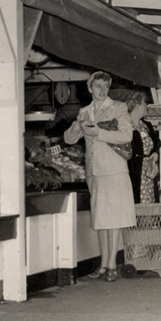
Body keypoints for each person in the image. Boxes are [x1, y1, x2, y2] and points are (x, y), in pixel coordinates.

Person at [64, 72, 135, 282]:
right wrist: (76, 126)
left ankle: (112, 264)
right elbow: (68, 140)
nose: (102, 90)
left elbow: (127, 135)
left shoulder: (119, 107)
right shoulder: (84, 111)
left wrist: (99, 134)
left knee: (113, 219)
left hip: (114, 170)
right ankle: (103, 265)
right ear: (90, 88)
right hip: (94, 171)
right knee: (101, 219)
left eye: (105, 86)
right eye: (98, 86)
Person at [124, 91, 160, 204]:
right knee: (136, 203)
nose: (146, 106)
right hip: (134, 171)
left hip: (148, 172)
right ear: (137, 105)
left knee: (150, 204)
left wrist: (155, 153)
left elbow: (157, 142)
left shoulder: (147, 125)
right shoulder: (125, 125)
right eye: (145, 103)